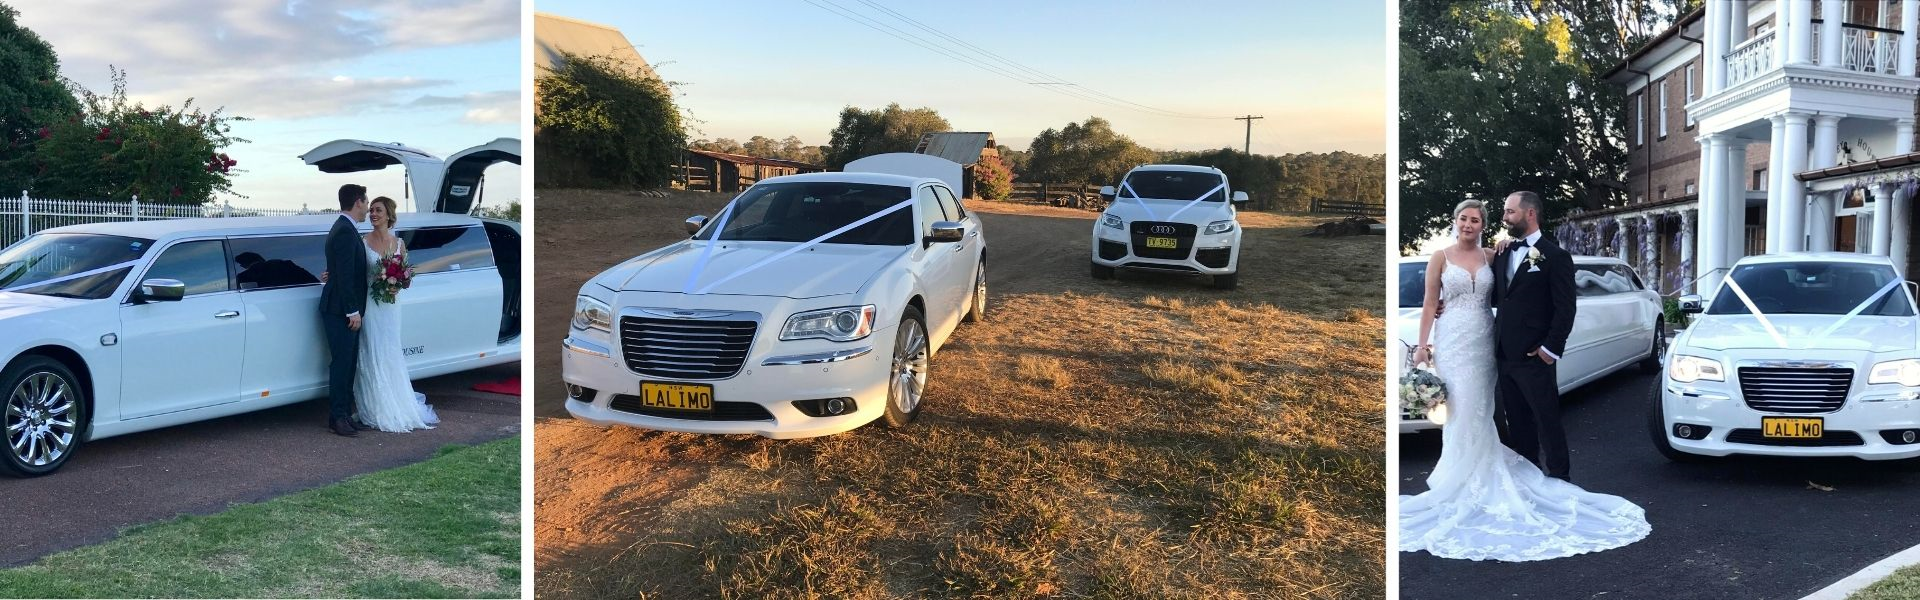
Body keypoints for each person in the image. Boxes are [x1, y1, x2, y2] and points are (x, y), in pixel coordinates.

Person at [1398, 195, 1649, 561]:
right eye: (1464, 219)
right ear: (1455, 221)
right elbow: (1434, 301)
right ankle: (1475, 473)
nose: (1472, 224)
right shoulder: (1469, 255)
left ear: (1525, 215)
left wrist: (1550, 349)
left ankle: (1559, 479)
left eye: (1481, 220)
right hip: (1466, 343)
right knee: (1482, 414)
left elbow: (1564, 306)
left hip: (1506, 347)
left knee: (1536, 413)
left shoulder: (1514, 255)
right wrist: (1425, 341)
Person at [351, 196, 438, 432]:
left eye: (378, 210)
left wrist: (397, 283)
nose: (373, 214)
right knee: (371, 351)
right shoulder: (362, 242)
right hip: (370, 303)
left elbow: (406, 276)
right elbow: (354, 271)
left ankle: (398, 404)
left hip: (391, 305)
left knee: (390, 350)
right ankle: (375, 406)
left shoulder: (399, 244)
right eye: (370, 211)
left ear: (389, 214)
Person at [318, 184, 370, 437]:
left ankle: (345, 415)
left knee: (349, 363)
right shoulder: (345, 232)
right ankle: (337, 417)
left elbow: (340, 271)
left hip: (342, 307)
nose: (368, 207)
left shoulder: (347, 229)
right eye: (366, 202)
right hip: (339, 309)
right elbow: (347, 276)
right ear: (358, 202)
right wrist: (352, 311)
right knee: (341, 363)